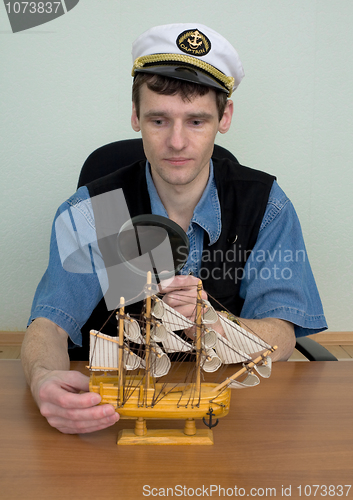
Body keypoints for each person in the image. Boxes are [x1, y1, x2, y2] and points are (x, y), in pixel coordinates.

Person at [21, 23, 327, 434]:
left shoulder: (265, 205)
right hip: (115, 417)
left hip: (229, 417)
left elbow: (284, 334)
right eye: (159, 120)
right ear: (135, 117)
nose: (177, 142)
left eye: (196, 121)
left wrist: (216, 325)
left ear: (225, 117)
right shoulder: (96, 210)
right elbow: (50, 325)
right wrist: (43, 379)